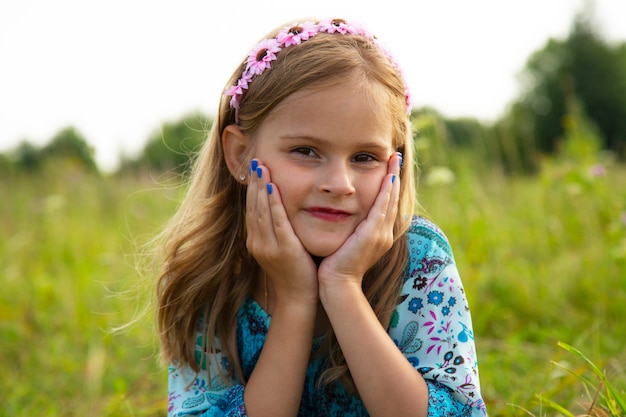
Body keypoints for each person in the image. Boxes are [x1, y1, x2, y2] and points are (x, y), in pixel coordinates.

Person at [157, 18, 487, 417]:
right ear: (239, 154)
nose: (339, 183)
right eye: (306, 151)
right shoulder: (209, 276)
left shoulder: (419, 260)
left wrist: (343, 286)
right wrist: (296, 301)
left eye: (364, 158)